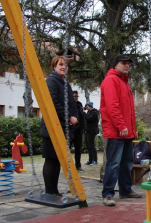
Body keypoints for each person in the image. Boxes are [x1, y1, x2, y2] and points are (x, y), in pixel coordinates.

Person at [100, 54, 142, 206]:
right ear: (115, 65)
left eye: (128, 63)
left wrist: (132, 129)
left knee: (126, 163)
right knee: (113, 163)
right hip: (116, 130)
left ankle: (125, 190)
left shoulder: (124, 82)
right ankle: (108, 194)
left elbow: (129, 110)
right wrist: (121, 126)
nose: (127, 66)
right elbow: (112, 106)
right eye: (123, 63)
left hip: (125, 131)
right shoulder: (112, 80)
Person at [39, 56, 78, 195]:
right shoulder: (51, 82)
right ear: (54, 67)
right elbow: (54, 104)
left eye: (66, 65)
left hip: (64, 127)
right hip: (52, 127)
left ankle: (54, 190)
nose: (63, 67)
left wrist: (75, 117)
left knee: (58, 160)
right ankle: (49, 190)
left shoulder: (65, 84)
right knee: (51, 159)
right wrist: (68, 117)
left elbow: (72, 105)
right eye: (60, 65)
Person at [70, 91, 85, 172]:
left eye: (77, 96)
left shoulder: (79, 104)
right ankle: (67, 166)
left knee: (78, 149)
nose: (76, 98)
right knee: (67, 148)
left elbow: (82, 117)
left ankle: (78, 165)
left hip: (79, 130)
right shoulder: (69, 105)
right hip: (71, 130)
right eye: (74, 96)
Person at [84, 101, 99, 166]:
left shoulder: (94, 113)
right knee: (88, 146)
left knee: (92, 146)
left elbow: (88, 119)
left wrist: (84, 113)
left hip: (92, 131)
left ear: (90, 106)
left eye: (87, 106)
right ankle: (90, 160)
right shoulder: (89, 112)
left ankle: (94, 160)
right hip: (87, 131)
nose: (86, 107)